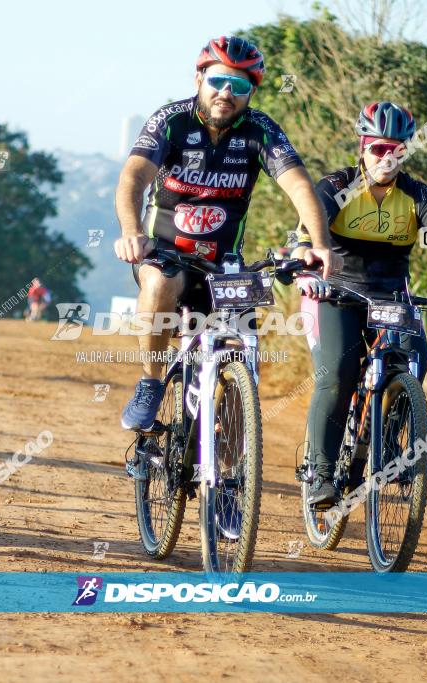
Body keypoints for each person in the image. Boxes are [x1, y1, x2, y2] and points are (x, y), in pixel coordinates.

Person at [114, 35, 336, 431]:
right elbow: (133, 178)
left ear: (252, 93)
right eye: (218, 80)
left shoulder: (260, 129)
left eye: (240, 86)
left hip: (224, 263)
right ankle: (150, 383)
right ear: (199, 78)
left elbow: (300, 187)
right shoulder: (171, 121)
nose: (226, 93)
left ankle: (230, 462)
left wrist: (317, 245)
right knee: (160, 282)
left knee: (241, 354)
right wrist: (132, 232)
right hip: (165, 251)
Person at [292, 101, 427, 505]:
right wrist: (308, 273)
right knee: (338, 373)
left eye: (397, 150)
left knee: (415, 354)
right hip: (335, 293)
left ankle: (387, 444)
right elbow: (306, 236)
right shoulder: (337, 187)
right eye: (379, 149)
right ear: (362, 147)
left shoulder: (419, 196)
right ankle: (319, 473)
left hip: (391, 297)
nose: (387, 159)